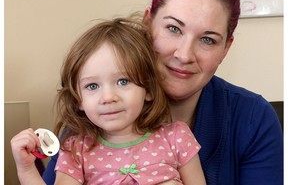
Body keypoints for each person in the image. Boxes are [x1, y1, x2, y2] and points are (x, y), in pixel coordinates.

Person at [43, 0, 283, 184]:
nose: (184, 55)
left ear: (226, 49)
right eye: (173, 28)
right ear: (147, 23)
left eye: (208, 39)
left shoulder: (254, 119)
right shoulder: (95, 121)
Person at [11, 17, 206, 185]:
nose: (108, 97)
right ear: (78, 99)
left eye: (123, 81)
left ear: (148, 89)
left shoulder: (176, 138)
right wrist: (27, 170)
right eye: (92, 86)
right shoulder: (76, 150)